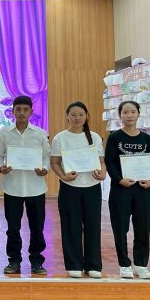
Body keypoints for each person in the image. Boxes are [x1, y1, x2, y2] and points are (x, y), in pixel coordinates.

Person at [0, 95, 50, 275]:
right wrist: (0, 167)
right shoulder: (4, 133)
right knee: (13, 228)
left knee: (37, 227)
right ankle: (14, 261)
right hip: (12, 187)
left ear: (31, 112)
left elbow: (46, 157)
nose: (22, 113)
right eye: (18, 109)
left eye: (25, 110)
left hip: (36, 187)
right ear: (12, 112)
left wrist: (45, 169)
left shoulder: (40, 133)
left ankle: (37, 262)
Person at [50, 101, 106, 279]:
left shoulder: (94, 137)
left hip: (92, 187)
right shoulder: (60, 138)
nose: (77, 118)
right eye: (73, 114)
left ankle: (93, 265)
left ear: (86, 116)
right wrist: (63, 176)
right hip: (70, 188)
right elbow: (55, 162)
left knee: (93, 226)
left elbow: (101, 161)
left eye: (81, 114)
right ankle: (74, 264)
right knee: (70, 226)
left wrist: (102, 173)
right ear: (67, 116)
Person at [104, 101, 150, 280]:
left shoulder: (147, 139)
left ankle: (141, 264)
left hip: (142, 190)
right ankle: (124, 264)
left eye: (133, 111)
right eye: (125, 112)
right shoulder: (114, 137)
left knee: (143, 227)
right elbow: (109, 161)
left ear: (139, 113)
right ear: (120, 115)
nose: (129, 115)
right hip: (121, 189)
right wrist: (119, 180)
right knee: (120, 227)